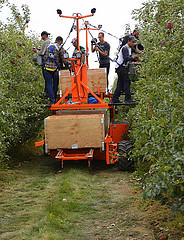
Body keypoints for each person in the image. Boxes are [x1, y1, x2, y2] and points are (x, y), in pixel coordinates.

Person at [112, 35, 139, 104]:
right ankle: (128, 99)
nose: (133, 44)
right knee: (127, 82)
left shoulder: (129, 48)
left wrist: (133, 59)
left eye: (134, 42)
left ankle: (115, 99)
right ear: (128, 41)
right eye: (132, 42)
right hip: (121, 67)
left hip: (121, 68)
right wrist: (133, 57)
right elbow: (126, 58)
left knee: (120, 85)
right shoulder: (125, 48)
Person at [33, 31, 51, 95]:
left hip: (45, 62)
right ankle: (48, 92)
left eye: (41, 36)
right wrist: (40, 49)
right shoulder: (50, 42)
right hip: (50, 62)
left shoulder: (45, 42)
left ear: (43, 35)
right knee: (49, 80)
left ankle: (46, 92)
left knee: (46, 79)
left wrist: (36, 51)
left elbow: (42, 53)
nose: (41, 38)